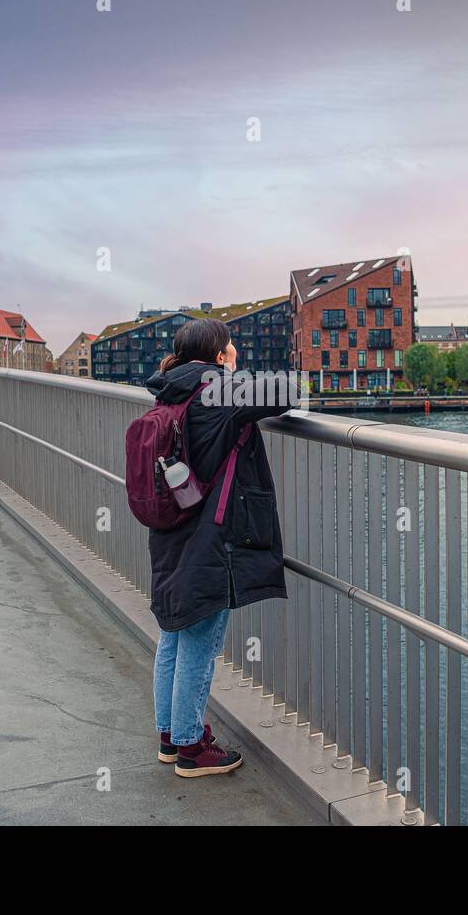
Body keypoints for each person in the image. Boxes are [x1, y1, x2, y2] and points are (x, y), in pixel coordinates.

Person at [145, 317, 300, 778]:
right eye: (230, 348)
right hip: (211, 534)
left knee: (174, 631)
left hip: (172, 527)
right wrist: (232, 370)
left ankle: (172, 736)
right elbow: (287, 391)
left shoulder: (168, 389)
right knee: (198, 636)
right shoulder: (217, 388)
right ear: (217, 356)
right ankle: (192, 748)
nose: (234, 354)